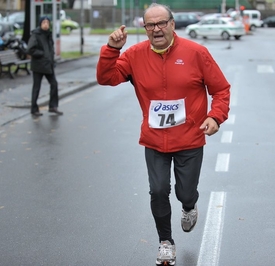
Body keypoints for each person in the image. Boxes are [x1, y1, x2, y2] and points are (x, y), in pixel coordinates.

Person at [96, 3, 230, 265]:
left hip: (189, 138)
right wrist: (112, 49)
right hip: (155, 140)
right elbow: (107, 78)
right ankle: (165, 242)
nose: (156, 29)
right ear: (144, 28)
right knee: (158, 191)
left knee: (185, 192)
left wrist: (215, 117)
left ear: (172, 24)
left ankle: (189, 206)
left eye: (161, 23)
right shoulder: (134, 55)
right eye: (150, 25)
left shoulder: (196, 53)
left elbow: (221, 90)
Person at [27, 16, 63, 116]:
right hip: (38, 65)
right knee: (36, 87)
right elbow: (30, 49)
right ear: (40, 24)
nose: (46, 24)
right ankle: (34, 109)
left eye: (47, 22)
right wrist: (42, 54)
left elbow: (50, 48)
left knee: (54, 84)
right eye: (44, 22)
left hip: (48, 65)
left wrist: (51, 58)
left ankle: (53, 106)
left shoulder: (48, 34)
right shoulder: (36, 34)